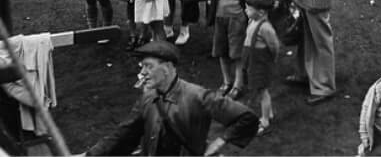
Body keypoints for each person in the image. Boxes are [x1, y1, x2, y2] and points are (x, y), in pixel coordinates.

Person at [85, 40, 259, 156]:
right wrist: (90, 155)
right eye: (142, 66)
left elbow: (246, 118)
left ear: (167, 67)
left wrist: (218, 143)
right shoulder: (148, 98)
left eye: (149, 66)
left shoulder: (198, 96)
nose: (142, 73)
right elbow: (124, 134)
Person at [208, 0, 258, 101]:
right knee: (221, 52)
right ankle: (226, 81)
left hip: (237, 20)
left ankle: (238, 84)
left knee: (236, 54)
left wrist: (247, 17)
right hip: (219, 18)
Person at [242, 0, 280, 137]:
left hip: (261, 63)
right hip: (252, 60)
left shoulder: (265, 27)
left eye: (249, 8)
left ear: (261, 12)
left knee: (262, 91)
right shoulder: (254, 21)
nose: (246, 10)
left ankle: (264, 120)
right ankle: (268, 113)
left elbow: (274, 46)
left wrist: (272, 60)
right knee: (259, 89)